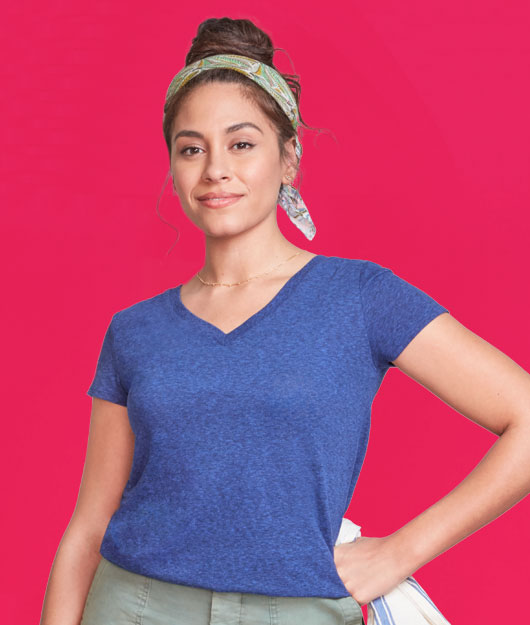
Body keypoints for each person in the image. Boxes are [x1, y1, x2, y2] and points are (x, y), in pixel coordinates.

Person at [40, 17, 530, 625]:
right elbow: (89, 525)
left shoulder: (360, 296)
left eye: (241, 143)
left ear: (289, 157)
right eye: (192, 148)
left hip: (298, 611)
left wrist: (402, 552)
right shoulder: (134, 331)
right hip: (132, 605)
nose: (215, 168)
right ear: (173, 167)